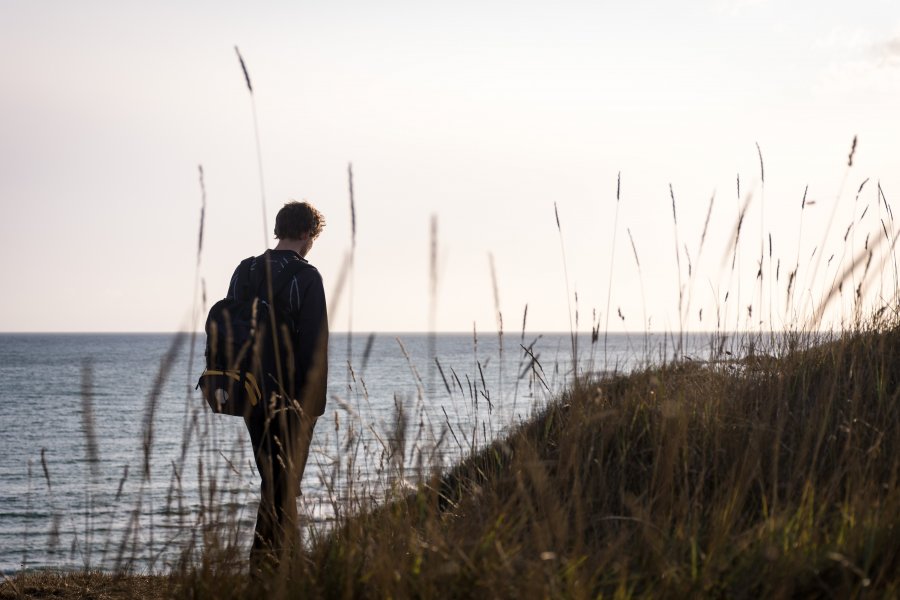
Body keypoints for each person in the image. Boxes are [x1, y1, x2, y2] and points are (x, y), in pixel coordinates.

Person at [225, 200, 329, 571]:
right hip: (292, 397)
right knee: (282, 482)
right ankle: (265, 567)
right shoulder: (307, 277)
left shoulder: (245, 270)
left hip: (249, 392)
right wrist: (314, 406)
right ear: (306, 234)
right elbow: (314, 346)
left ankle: (281, 562)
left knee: (278, 480)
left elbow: (231, 333)